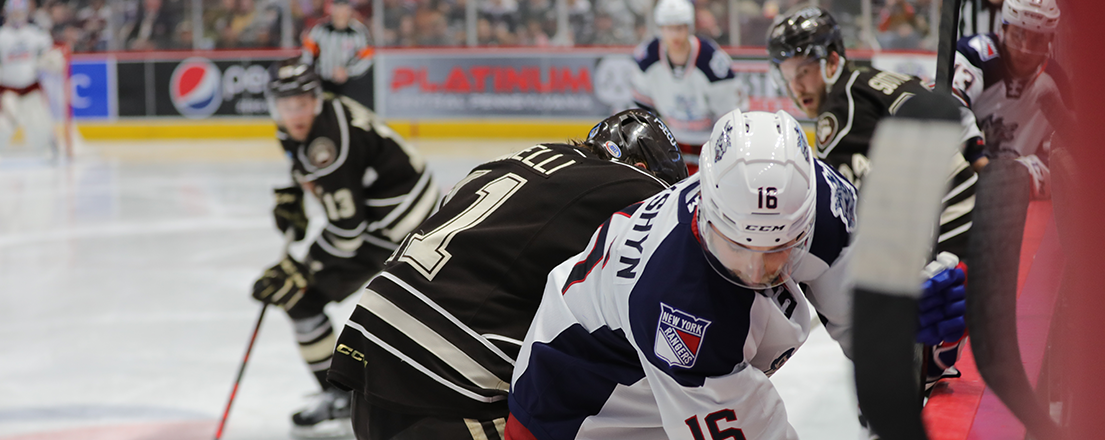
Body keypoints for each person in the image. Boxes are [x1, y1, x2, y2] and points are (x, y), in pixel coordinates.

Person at [327, 110, 687, 439]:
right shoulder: (637, 188)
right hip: (448, 382)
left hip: (369, 353)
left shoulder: (523, 158)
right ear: (640, 166)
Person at [505, 109, 858, 438]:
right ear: (707, 212)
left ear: (806, 222)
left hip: (653, 383)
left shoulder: (827, 206)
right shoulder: (678, 300)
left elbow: (874, 329)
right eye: (739, 246)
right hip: (574, 414)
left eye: (776, 248)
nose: (755, 272)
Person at [767, 5, 975, 392]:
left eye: (804, 72)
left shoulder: (839, 115)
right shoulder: (871, 81)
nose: (797, 88)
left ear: (831, 61)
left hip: (939, 252)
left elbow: (853, 226)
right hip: (960, 221)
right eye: (788, 77)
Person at [251, 56, 438, 439]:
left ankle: (342, 397)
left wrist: (304, 267)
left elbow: (346, 232)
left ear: (316, 100)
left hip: (398, 225)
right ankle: (340, 394)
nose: (294, 113)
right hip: (389, 209)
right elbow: (307, 168)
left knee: (302, 296)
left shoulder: (327, 145)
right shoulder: (307, 127)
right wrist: (295, 193)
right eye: (286, 105)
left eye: (302, 102)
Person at [952, 0, 1068, 199]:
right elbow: (950, 106)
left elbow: (1063, 154)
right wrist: (978, 159)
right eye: (1018, 34)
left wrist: (1014, 176)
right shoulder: (974, 55)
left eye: (1037, 40)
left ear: (1049, 40)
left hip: (1009, 199)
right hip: (960, 185)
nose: (1024, 49)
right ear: (1003, 28)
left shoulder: (1055, 82)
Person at [631, 0, 747, 176]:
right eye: (669, 28)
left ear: (689, 27)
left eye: (680, 28)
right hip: (671, 142)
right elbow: (641, 107)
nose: (674, 35)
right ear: (660, 29)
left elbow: (731, 115)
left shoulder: (712, 61)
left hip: (708, 143)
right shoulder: (648, 57)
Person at [0, 0, 64, 166]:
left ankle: (49, 150)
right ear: (7, 13)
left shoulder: (36, 34)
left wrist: (51, 60)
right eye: (14, 12)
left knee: (40, 120)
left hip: (31, 86)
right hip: (8, 88)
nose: (17, 16)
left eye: (20, 12)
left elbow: (48, 54)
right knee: (6, 120)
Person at [300, 0, 375, 109]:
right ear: (331, 9)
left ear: (349, 10)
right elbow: (307, 55)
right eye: (338, 8)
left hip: (351, 84)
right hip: (323, 83)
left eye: (344, 8)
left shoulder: (359, 32)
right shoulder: (319, 30)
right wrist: (315, 72)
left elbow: (367, 59)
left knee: (349, 112)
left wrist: (348, 71)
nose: (341, 12)